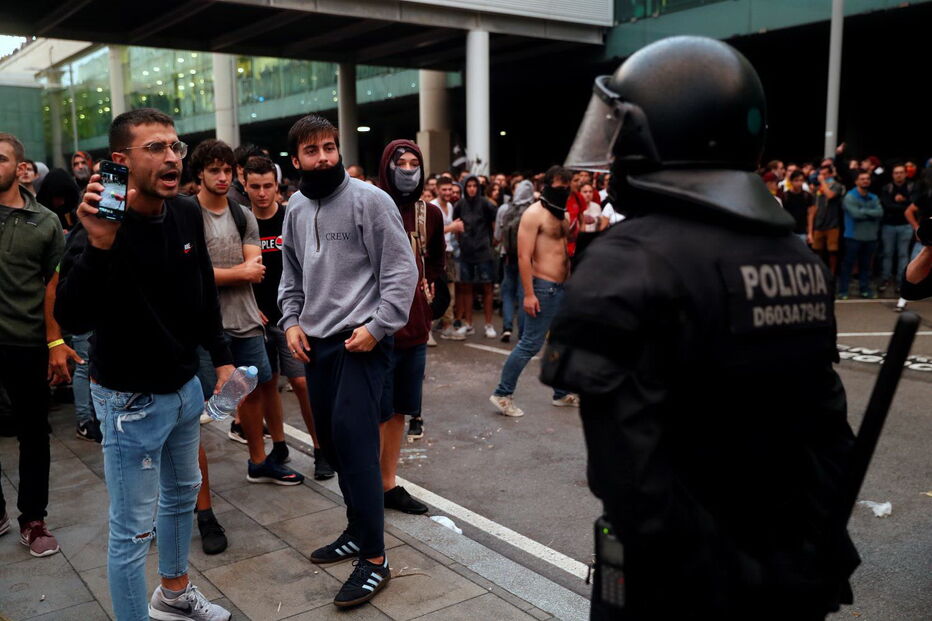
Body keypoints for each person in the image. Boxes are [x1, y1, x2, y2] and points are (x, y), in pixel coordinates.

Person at [540, 37, 859, 621]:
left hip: (674, 589)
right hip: (788, 567)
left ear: (657, 133)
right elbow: (829, 434)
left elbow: (630, 483)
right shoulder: (798, 258)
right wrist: (794, 565)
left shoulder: (624, 262)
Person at [55, 109, 233, 621]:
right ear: (121, 161)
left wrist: (221, 362)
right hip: (130, 401)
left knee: (182, 497)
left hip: (183, 391)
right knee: (132, 528)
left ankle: (174, 595)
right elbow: (72, 315)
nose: (172, 156)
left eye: (175, 146)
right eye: (155, 148)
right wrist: (101, 245)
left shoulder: (183, 212)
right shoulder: (97, 225)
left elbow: (201, 289)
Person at [279, 114, 417, 608]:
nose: (324, 157)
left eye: (330, 148)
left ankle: (375, 559)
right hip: (315, 343)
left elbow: (402, 270)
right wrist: (291, 320)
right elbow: (291, 272)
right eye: (312, 151)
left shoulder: (370, 200)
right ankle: (358, 530)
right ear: (295, 161)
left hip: (361, 342)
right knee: (334, 447)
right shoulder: (295, 205)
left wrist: (377, 328)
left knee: (357, 446)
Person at [189, 139, 305, 485]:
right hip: (205, 325)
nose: (223, 177)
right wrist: (237, 273)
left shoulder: (242, 215)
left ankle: (259, 460)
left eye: (227, 170)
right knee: (197, 407)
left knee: (252, 390)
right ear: (200, 174)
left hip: (246, 319)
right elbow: (190, 273)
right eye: (215, 170)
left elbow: (256, 268)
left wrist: (225, 273)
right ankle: (194, 488)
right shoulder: (188, 214)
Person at [243, 155, 334, 481]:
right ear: (246, 185)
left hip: (293, 317)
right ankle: (278, 445)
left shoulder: (289, 216)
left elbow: (309, 262)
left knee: (301, 383)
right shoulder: (242, 221)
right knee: (264, 384)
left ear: (277, 185)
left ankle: (322, 448)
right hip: (254, 318)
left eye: (268, 186)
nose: (263, 193)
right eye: (255, 186)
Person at [0, 132, 65, 558]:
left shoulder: (46, 222)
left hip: (26, 341)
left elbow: (54, 285)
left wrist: (56, 341)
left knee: (33, 434)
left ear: (19, 167)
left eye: (0, 158)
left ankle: (33, 518)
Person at [376, 139, 444, 511]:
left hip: (415, 326)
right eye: (399, 162)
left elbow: (436, 260)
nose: (406, 169)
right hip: (376, 327)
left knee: (400, 408)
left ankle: (388, 484)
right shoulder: (371, 204)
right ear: (386, 165)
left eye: (413, 162)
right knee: (376, 409)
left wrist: (430, 296)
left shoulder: (429, 214)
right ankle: (368, 482)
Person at [489, 167, 578, 417]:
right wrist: (529, 294)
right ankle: (502, 393)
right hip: (542, 287)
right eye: (560, 187)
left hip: (561, 288)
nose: (564, 191)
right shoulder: (533, 214)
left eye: (567, 187)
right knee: (530, 343)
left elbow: (562, 253)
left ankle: (561, 392)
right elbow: (523, 256)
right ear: (547, 186)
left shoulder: (563, 215)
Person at [453, 175, 498, 338]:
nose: (471, 188)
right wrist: (462, 242)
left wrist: (493, 241)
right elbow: (456, 226)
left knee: (487, 288)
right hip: (466, 252)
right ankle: (469, 324)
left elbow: (495, 222)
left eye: (474, 185)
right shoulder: (460, 205)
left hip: (484, 251)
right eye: (469, 186)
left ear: (478, 187)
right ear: (465, 188)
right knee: (466, 288)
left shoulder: (486, 203)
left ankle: (488, 324)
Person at [497, 180, 535, 342]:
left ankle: (506, 328)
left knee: (507, 293)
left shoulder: (505, 208)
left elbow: (497, 236)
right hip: (527, 258)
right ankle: (523, 333)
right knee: (523, 294)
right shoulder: (533, 210)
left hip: (508, 257)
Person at [839, 171, 883, 299]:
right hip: (853, 237)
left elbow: (880, 212)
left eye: (867, 179)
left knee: (865, 266)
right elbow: (855, 214)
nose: (865, 181)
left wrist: (863, 210)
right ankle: (843, 291)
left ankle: (865, 290)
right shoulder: (850, 196)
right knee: (848, 265)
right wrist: (870, 212)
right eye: (862, 179)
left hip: (870, 237)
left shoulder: (873, 197)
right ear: (856, 181)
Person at [432, 176, 465, 340]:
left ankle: (447, 326)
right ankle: (427, 330)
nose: (447, 192)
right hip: (436, 254)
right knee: (434, 293)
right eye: (444, 189)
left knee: (449, 293)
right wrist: (453, 227)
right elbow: (430, 232)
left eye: (449, 189)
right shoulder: (432, 206)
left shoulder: (451, 206)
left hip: (449, 253)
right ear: (437, 190)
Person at [879, 164, 914, 294]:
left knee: (903, 254)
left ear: (905, 174)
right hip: (888, 225)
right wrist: (904, 205)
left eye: (901, 172)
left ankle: (901, 281)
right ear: (892, 175)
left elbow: (913, 204)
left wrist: (901, 201)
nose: (898, 175)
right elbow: (887, 205)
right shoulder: (887, 188)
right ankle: (885, 278)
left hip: (905, 225)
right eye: (896, 173)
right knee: (887, 253)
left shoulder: (911, 187)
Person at [808, 164, 845, 274]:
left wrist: (823, 182)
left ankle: (832, 273)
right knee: (817, 250)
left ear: (830, 174)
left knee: (832, 251)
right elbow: (814, 206)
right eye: (821, 174)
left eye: (825, 174)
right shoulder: (817, 188)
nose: (822, 176)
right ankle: (818, 272)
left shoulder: (837, 186)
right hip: (819, 224)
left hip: (832, 224)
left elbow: (830, 195)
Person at [782, 170, 815, 244]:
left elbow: (810, 215)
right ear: (791, 181)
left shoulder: (807, 196)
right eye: (796, 180)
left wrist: (810, 233)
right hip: (788, 231)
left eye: (801, 180)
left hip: (802, 231)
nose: (799, 183)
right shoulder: (785, 196)